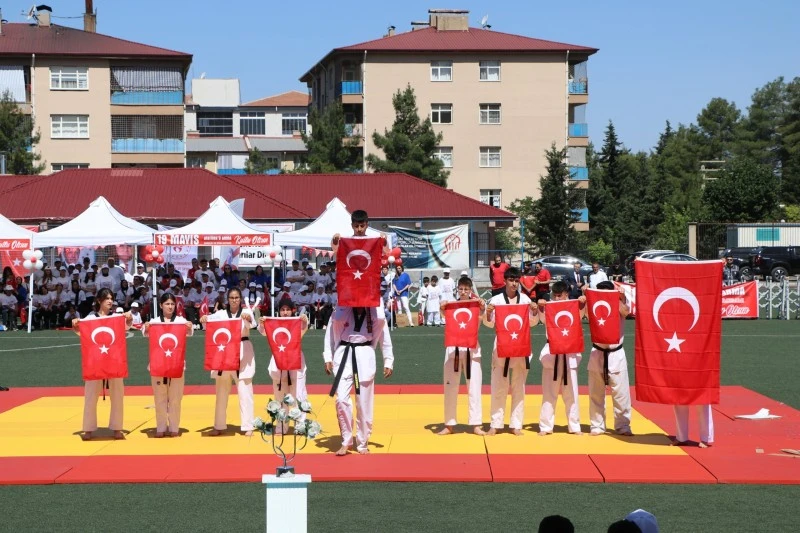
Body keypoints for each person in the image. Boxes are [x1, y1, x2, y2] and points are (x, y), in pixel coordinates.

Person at [324, 304, 394, 455]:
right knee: (341, 400)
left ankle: (362, 443)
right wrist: (328, 356)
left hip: (365, 355)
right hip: (344, 354)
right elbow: (330, 331)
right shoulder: (341, 308)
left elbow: (384, 335)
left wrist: (388, 360)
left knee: (363, 403)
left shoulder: (376, 311)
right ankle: (346, 440)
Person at [483, 267, 540, 436]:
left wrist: (534, 311)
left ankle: (516, 424)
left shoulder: (525, 299)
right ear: (505, 281)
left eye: (516, 281)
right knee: (498, 387)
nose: (514, 284)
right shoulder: (496, 300)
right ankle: (496, 424)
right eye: (511, 280)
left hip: (521, 347)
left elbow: (532, 323)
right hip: (502, 348)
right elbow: (489, 324)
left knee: (518, 388)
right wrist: (488, 313)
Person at [72, 288, 133, 440]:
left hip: (114, 361)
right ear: (99, 300)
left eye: (111, 298)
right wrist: (76, 324)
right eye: (107, 298)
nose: (110, 301)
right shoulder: (90, 318)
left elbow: (127, 326)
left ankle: (117, 427)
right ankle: (88, 428)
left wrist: (129, 318)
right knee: (91, 396)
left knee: (117, 396)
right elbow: (81, 332)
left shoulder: (117, 318)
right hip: (95, 361)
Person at [200, 287, 257, 436]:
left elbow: (253, 324)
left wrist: (248, 318)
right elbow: (208, 322)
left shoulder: (246, 312)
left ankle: (248, 425)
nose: (234, 300)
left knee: (245, 390)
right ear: (228, 299)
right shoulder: (221, 314)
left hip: (242, 350)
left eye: (237, 297)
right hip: (224, 352)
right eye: (231, 298)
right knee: (221, 391)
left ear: (240, 299)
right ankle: (219, 425)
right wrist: (204, 318)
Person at [438, 276, 486, 435]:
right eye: (461, 289)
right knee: (450, 388)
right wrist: (442, 308)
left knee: (474, 389)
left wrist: (483, 307)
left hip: (472, 351)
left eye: (466, 289)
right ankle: (449, 424)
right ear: (457, 289)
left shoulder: (477, 305)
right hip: (454, 351)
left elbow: (485, 318)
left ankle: (476, 424)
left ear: (471, 290)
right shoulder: (452, 305)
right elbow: (444, 315)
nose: (463, 292)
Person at [538, 280, 585, 436]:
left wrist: (582, 303)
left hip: (569, 353)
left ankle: (574, 426)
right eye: (555, 295)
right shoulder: (549, 306)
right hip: (552, 352)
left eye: (560, 295)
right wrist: (540, 306)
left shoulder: (573, 305)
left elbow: (581, 315)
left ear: (566, 294)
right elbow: (542, 319)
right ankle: (546, 426)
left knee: (571, 393)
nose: (557, 298)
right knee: (549, 393)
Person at [142, 293, 193, 437]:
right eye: (167, 304)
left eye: (172, 304)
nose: (170, 307)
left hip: (176, 364)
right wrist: (147, 327)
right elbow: (145, 333)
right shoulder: (155, 321)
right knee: (159, 398)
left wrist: (189, 326)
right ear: (161, 305)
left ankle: (174, 427)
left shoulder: (181, 321)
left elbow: (189, 332)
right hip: (158, 364)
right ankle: (161, 427)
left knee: (176, 398)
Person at [588, 281, 633, 436]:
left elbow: (626, 311)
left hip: (616, 353)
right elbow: (582, 312)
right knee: (596, 393)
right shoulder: (593, 304)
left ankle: (623, 425)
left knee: (621, 393)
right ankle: (597, 425)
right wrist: (583, 298)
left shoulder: (619, 303)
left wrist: (621, 297)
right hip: (597, 351)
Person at [259, 300, 309, 433]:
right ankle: (281, 426)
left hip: (295, 361)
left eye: (287, 309)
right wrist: (262, 323)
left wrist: (304, 320)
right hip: (279, 360)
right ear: (279, 311)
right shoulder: (274, 324)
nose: (285, 312)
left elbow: (303, 329)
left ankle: (300, 425)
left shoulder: (296, 323)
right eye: (282, 309)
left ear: (292, 311)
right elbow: (263, 332)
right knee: (280, 395)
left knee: (299, 394)